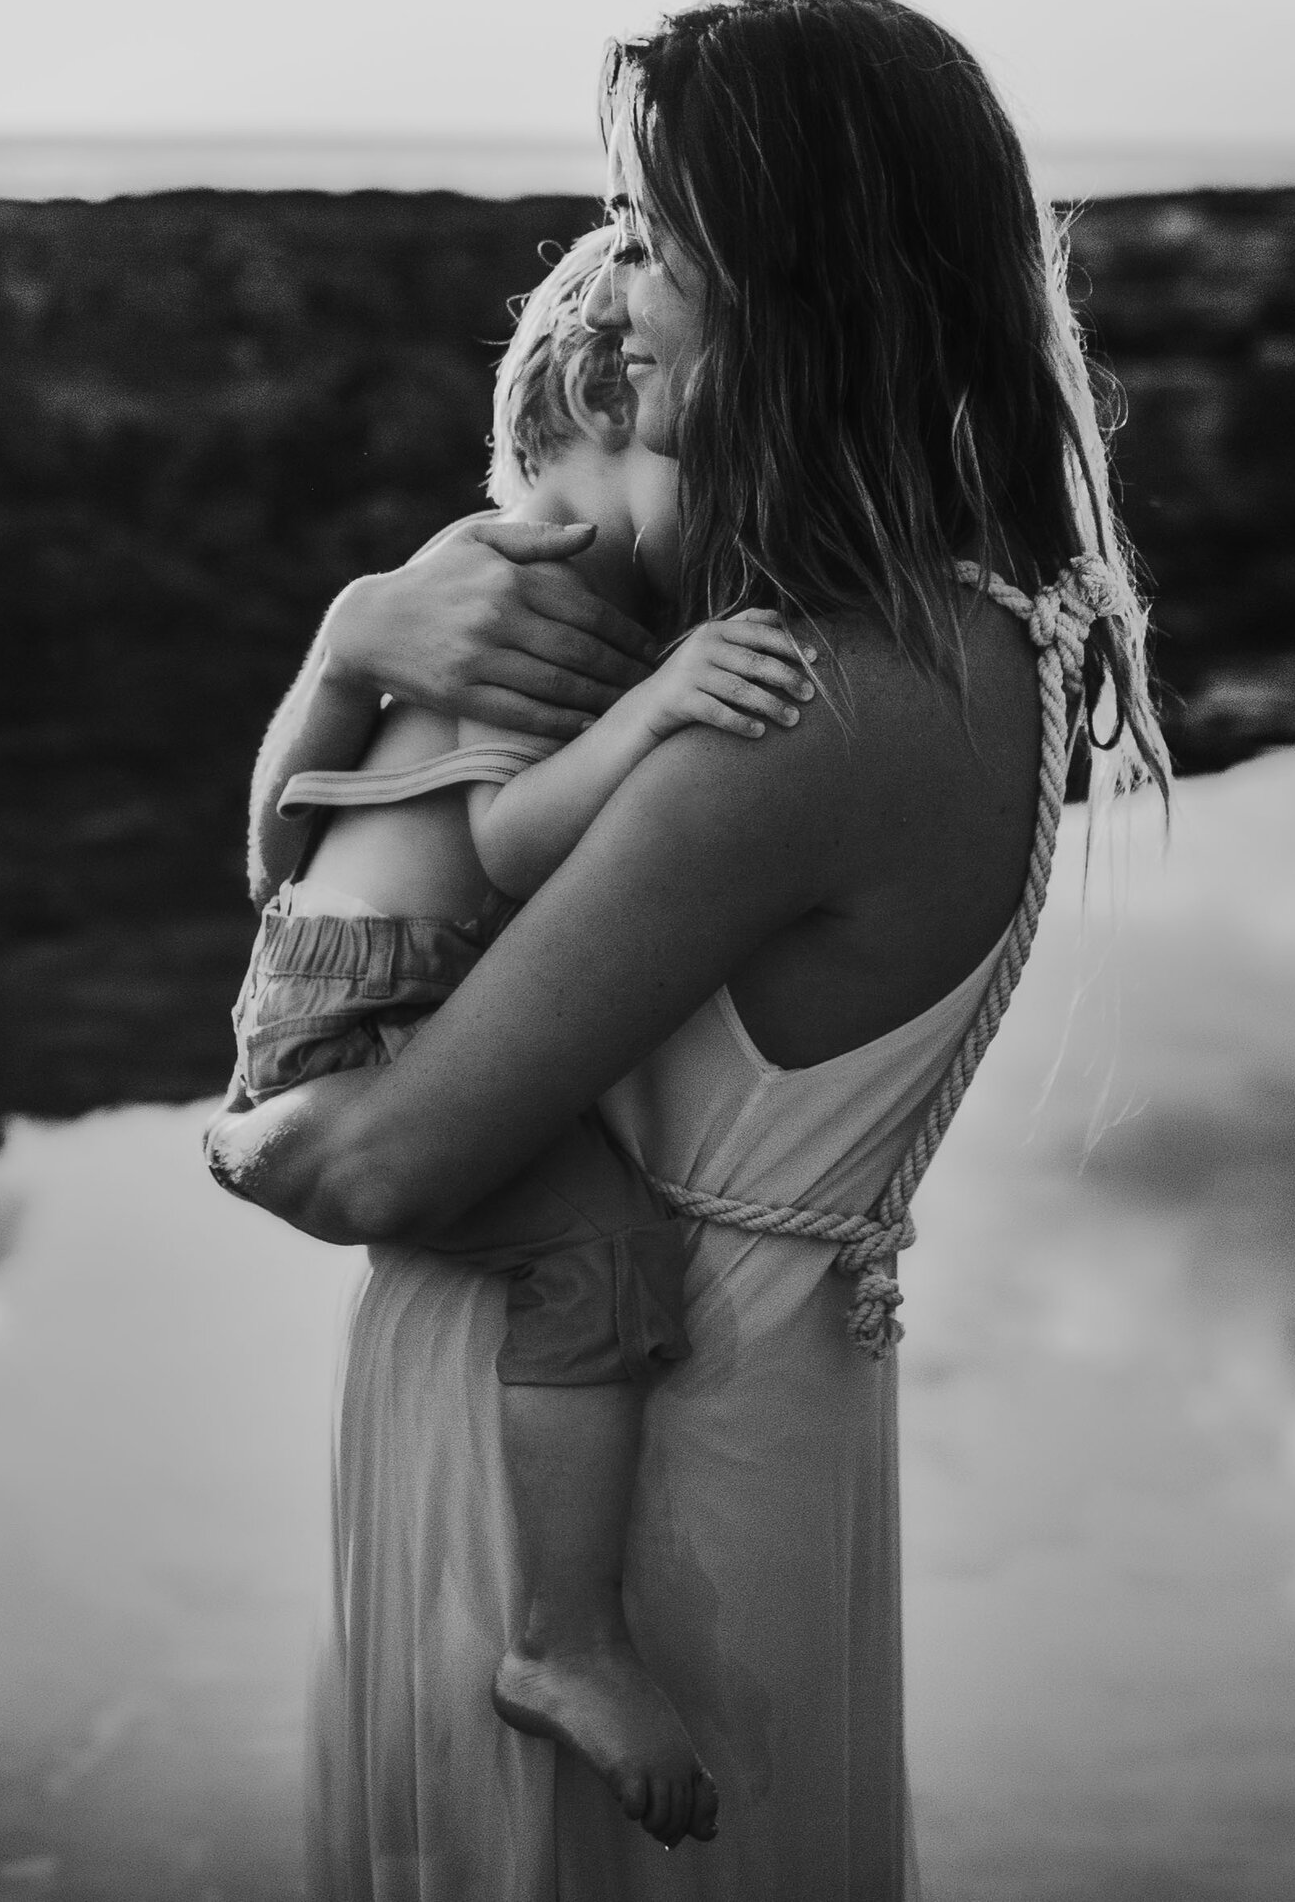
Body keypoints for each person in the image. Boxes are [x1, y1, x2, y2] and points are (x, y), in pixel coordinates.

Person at [210, 0, 1169, 1900]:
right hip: (690, 1400)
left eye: (649, 235)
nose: (614, 287)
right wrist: (345, 647)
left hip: (628, 1472)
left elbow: (370, 1154)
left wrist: (236, 1134)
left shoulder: (799, 701)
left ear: (789, 282)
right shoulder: (962, 625)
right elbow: (297, 871)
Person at [226, 227, 821, 1847]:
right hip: (373, 1008)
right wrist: (662, 707)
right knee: (604, 1256)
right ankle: (568, 1638)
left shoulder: (490, 564)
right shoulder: (529, 579)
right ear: (613, 413)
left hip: (347, 980)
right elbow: (504, 843)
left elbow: (280, 844)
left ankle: (572, 1629)